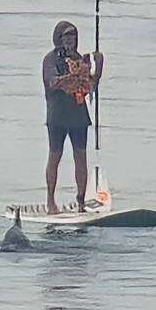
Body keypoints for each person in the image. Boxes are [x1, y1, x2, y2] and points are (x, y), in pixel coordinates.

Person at [42, 20, 104, 213]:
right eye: (66, 37)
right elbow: (52, 83)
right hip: (58, 115)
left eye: (73, 37)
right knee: (55, 156)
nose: (70, 40)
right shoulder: (50, 60)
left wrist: (98, 67)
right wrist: (72, 77)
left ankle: (81, 200)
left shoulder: (79, 59)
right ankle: (51, 201)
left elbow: (89, 86)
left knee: (80, 157)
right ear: (58, 39)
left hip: (78, 115)